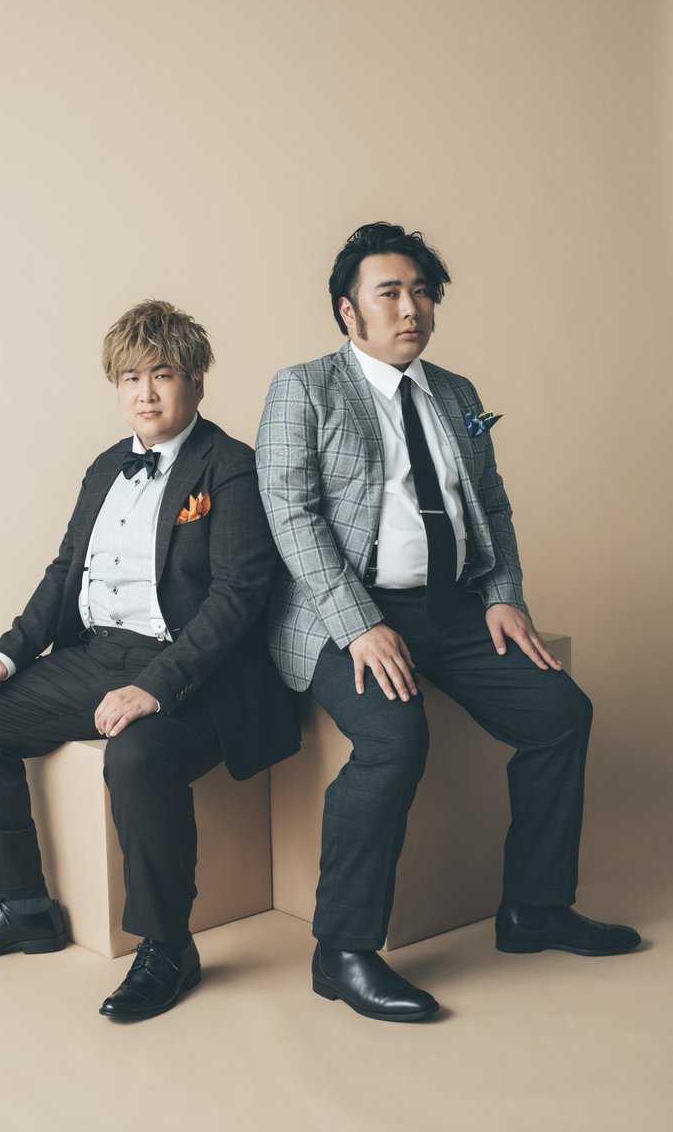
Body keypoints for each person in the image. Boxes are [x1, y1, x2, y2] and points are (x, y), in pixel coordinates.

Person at [255, 222, 640, 1023]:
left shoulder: (458, 394)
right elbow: (291, 515)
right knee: (395, 739)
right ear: (348, 310)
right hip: (341, 613)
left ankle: (534, 908)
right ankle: (342, 951)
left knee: (561, 713)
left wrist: (503, 593)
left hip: (453, 607)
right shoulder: (304, 388)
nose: (412, 309)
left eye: (423, 292)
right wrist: (360, 624)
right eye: (390, 293)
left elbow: (488, 503)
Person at [0, 299, 300, 1021]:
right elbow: (64, 573)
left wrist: (155, 687)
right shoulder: (105, 467)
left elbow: (237, 600)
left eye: (163, 375)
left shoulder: (231, 469)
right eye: (130, 378)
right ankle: (25, 907)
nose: (145, 393)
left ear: (196, 381)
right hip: (100, 653)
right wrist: (9, 651)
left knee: (136, 754)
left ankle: (168, 946)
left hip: (200, 672)